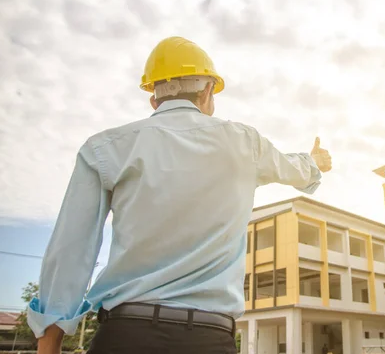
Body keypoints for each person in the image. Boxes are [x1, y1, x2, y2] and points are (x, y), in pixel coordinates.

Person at [28, 37, 332, 354]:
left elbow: (71, 249)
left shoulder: (104, 149)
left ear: (153, 99)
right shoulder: (244, 143)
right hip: (208, 339)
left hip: (123, 336)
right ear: (207, 92)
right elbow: (296, 170)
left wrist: (49, 345)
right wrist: (315, 162)